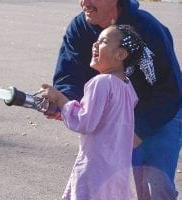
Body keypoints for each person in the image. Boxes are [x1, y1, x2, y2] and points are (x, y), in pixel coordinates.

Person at [51, 0, 182, 199]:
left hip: (158, 114)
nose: (83, 3)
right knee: (106, 186)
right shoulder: (79, 28)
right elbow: (68, 77)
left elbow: (171, 90)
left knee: (155, 188)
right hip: (112, 121)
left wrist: (140, 129)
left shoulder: (149, 28)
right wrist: (61, 102)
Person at [41, 24, 156, 199]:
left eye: (103, 42)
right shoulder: (127, 87)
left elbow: (85, 122)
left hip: (95, 169)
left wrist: (60, 100)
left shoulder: (101, 82)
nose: (95, 44)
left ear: (120, 54)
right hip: (117, 172)